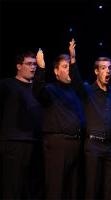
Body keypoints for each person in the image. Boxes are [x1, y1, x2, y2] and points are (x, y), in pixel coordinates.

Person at [69, 39, 111, 200]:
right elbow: (76, 83)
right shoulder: (87, 90)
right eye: (103, 68)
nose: (107, 71)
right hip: (93, 146)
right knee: (92, 190)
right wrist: (73, 60)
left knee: (110, 190)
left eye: (109, 68)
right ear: (96, 71)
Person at [33, 44, 85, 199]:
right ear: (56, 71)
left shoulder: (77, 91)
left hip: (75, 144)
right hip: (57, 145)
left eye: (70, 66)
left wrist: (74, 59)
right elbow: (38, 92)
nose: (69, 69)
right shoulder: (51, 89)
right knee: (56, 189)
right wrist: (41, 69)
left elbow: (79, 84)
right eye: (65, 66)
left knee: (73, 190)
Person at [0, 51, 43, 199]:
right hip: (14, 143)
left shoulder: (37, 89)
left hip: (35, 144)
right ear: (19, 66)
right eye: (29, 64)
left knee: (31, 189)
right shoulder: (7, 84)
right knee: (13, 187)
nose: (33, 67)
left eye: (35, 64)